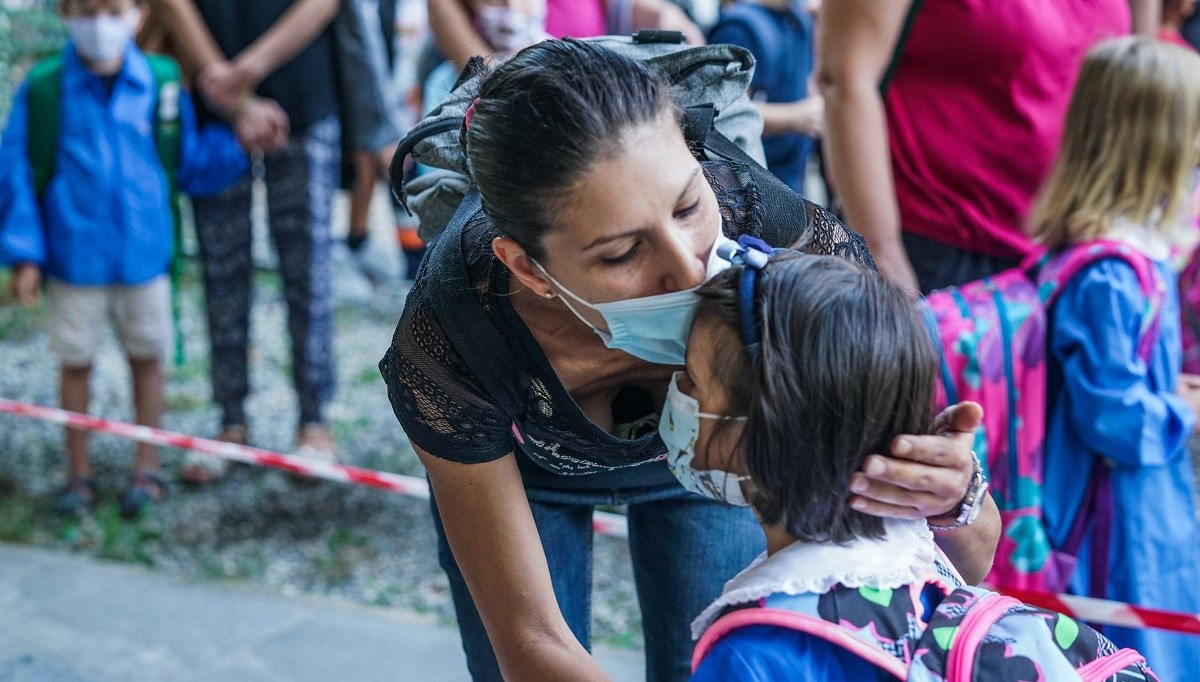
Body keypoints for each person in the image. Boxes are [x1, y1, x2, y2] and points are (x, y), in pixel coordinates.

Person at [379, 39, 999, 681]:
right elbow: (532, 642)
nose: (689, 269)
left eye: (688, 207)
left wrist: (953, 496)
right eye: (622, 254)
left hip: (721, 468)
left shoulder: (792, 255)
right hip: (531, 475)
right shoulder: (452, 339)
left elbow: (956, 569)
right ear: (525, 268)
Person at [0, 0, 247, 515]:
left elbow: (183, 158)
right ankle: (79, 473)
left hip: (144, 253)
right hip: (74, 258)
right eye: (87, 10)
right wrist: (25, 255)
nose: (100, 23)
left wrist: (238, 144)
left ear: (137, 12)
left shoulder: (161, 80)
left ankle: (147, 465)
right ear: (66, 14)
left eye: (112, 9)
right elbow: (17, 170)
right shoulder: (44, 86)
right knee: (75, 362)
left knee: (148, 359)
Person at [1030, 37, 1200, 681]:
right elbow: (1115, 419)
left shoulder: (1121, 259)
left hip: (1141, 498)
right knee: (1136, 640)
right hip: (1120, 515)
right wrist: (1180, 409)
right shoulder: (1109, 276)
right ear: (1156, 144)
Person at [819, 0, 1153, 295]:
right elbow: (846, 78)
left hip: (1064, 253)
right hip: (934, 251)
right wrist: (882, 255)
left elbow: (1142, 73)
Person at [179, 0, 344, 482]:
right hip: (212, 101)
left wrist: (245, 73)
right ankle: (231, 421)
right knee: (220, 267)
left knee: (308, 270)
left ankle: (314, 421)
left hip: (303, 95)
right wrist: (232, 97)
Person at [707, 0, 822, 193]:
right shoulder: (739, 28)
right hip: (753, 187)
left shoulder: (800, 20)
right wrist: (798, 116)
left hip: (794, 179)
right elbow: (721, 114)